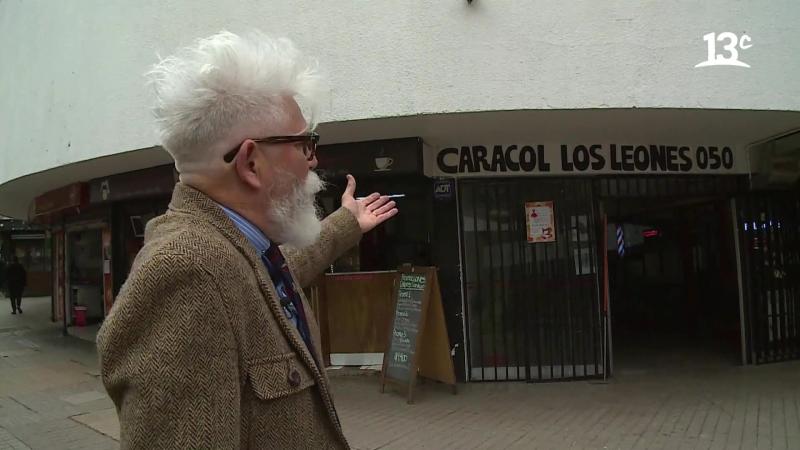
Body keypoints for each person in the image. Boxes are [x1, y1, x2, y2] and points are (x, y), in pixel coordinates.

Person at [96, 30, 398, 449]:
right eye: (303, 143)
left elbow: (281, 270)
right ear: (251, 163)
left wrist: (346, 222)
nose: (314, 161)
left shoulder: (234, 254)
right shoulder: (188, 274)